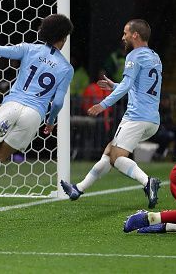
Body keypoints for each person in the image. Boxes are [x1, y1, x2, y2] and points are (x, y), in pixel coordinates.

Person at [0, 14, 74, 200]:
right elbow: (59, 102)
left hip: (13, 104)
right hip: (35, 113)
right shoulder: (66, 68)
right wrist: (50, 121)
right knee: (0, 156)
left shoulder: (28, 49)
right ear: (63, 38)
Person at [60, 19, 162, 208]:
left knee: (116, 157)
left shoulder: (134, 56)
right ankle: (78, 189)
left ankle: (148, 182)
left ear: (135, 35)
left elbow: (127, 85)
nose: (123, 37)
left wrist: (103, 104)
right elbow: (141, 88)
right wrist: (114, 85)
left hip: (136, 117)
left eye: (125, 33)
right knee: (109, 152)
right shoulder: (155, 57)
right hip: (152, 120)